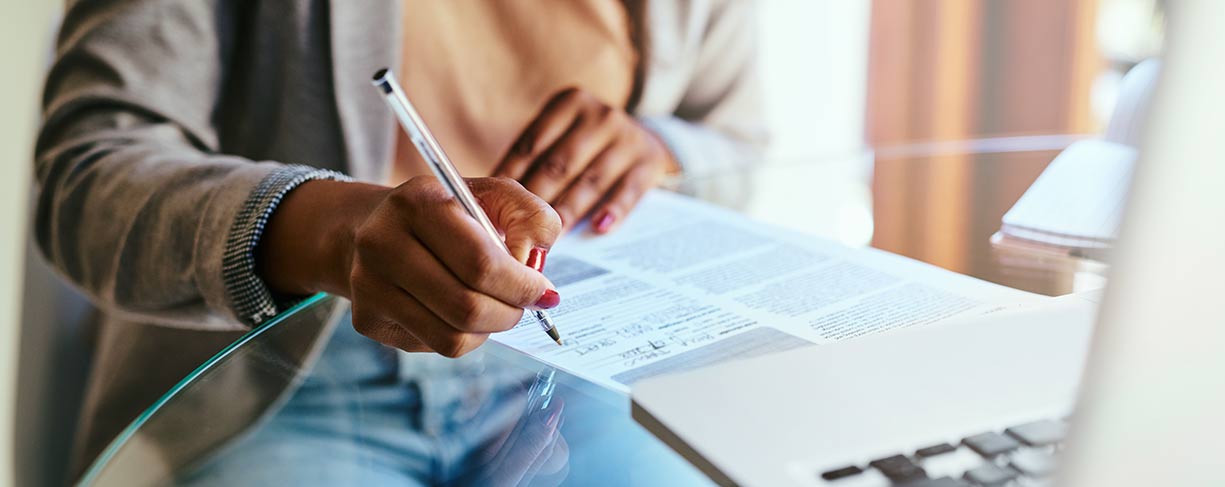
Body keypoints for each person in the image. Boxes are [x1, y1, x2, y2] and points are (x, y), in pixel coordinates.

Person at [36, 0, 765, 479]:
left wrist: (653, 150)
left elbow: (740, 142)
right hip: (285, 379)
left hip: (582, 368)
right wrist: (331, 231)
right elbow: (86, 177)